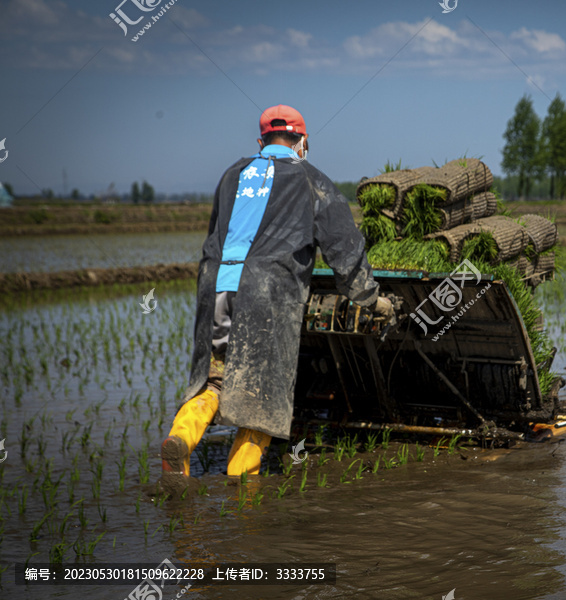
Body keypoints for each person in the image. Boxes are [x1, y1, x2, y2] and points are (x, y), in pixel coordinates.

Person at [160, 104, 393, 493]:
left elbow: (218, 233)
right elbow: (344, 246)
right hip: (266, 293)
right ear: (302, 142)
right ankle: (242, 486)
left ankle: (182, 437)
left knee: (214, 380)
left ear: (261, 141)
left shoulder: (232, 174)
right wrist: (369, 298)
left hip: (216, 284)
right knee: (262, 393)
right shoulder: (309, 179)